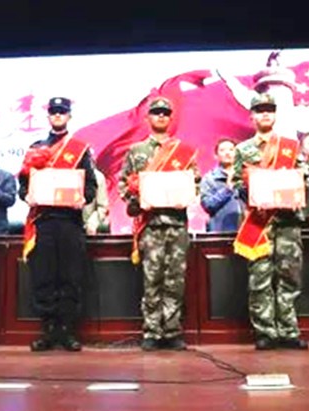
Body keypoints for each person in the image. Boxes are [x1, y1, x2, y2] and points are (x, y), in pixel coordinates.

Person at [118, 97, 199, 351]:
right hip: (150, 225)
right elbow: (123, 183)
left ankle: (172, 330)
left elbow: (195, 183)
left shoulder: (184, 152)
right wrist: (135, 196)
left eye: (165, 113)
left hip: (176, 224)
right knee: (151, 280)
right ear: (148, 118)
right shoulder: (136, 151)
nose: (161, 116)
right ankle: (152, 331)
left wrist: (188, 195)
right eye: (156, 112)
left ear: (171, 118)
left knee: (175, 280)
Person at [19, 97, 97, 352]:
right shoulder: (36, 148)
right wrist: (27, 195)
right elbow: (23, 186)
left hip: (70, 222)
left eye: (62, 112)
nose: (57, 115)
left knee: (70, 277)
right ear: (48, 116)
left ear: (69, 116)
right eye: (53, 112)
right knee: (44, 277)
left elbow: (90, 187)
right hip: (43, 222)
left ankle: (67, 331)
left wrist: (82, 197)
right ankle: (48, 330)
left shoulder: (80, 150)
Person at [232, 93, 308, 350]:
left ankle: (289, 331)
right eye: (260, 110)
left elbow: (304, 177)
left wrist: (294, 186)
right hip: (259, 223)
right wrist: (250, 186)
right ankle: (265, 332)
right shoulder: (243, 150)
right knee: (260, 278)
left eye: (269, 110)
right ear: (251, 116)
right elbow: (235, 183)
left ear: (275, 115)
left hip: (287, 221)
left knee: (290, 277)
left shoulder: (290, 147)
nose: (265, 114)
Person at [200, 138, 242, 232]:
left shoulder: (244, 176)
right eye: (222, 150)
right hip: (221, 230)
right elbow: (207, 205)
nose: (227, 153)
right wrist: (227, 189)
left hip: (245, 231)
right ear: (216, 156)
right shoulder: (209, 178)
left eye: (231, 150)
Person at [82, 159, 110, 235]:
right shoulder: (62, 174)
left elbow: (102, 207)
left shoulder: (98, 177)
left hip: (88, 225)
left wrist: (92, 222)